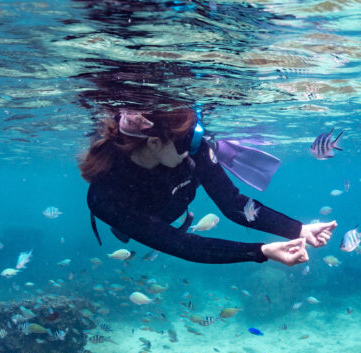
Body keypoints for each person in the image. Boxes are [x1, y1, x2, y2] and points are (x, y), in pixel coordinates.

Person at [79, 106, 336, 265]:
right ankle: (123, 230)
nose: (193, 149)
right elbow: (183, 245)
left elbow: (234, 205)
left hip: (175, 203)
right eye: (185, 141)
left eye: (195, 139)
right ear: (154, 143)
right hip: (145, 216)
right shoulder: (105, 196)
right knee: (133, 229)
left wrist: (299, 229)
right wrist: (262, 251)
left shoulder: (193, 151)